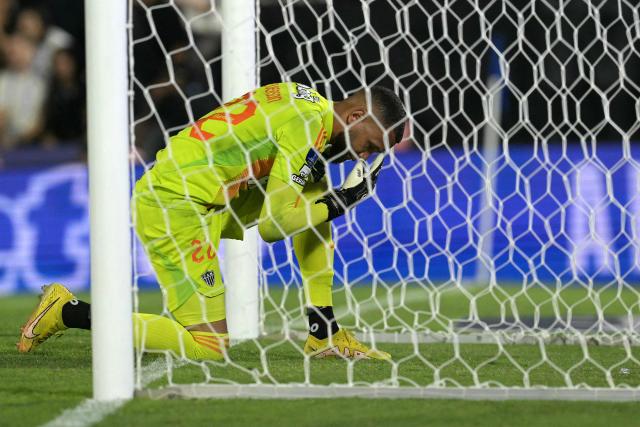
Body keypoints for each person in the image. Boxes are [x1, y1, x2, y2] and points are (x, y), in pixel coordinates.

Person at [17, 82, 407, 361]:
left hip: (212, 195)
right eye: (369, 146)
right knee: (209, 346)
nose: (362, 157)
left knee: (311, 194)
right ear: (356, 115)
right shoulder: (308, 126)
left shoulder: (309, 106)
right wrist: (344, 200)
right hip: (177, 203)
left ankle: (322, 330)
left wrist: (327, 202)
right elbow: (273, 227)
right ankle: (66, 310)